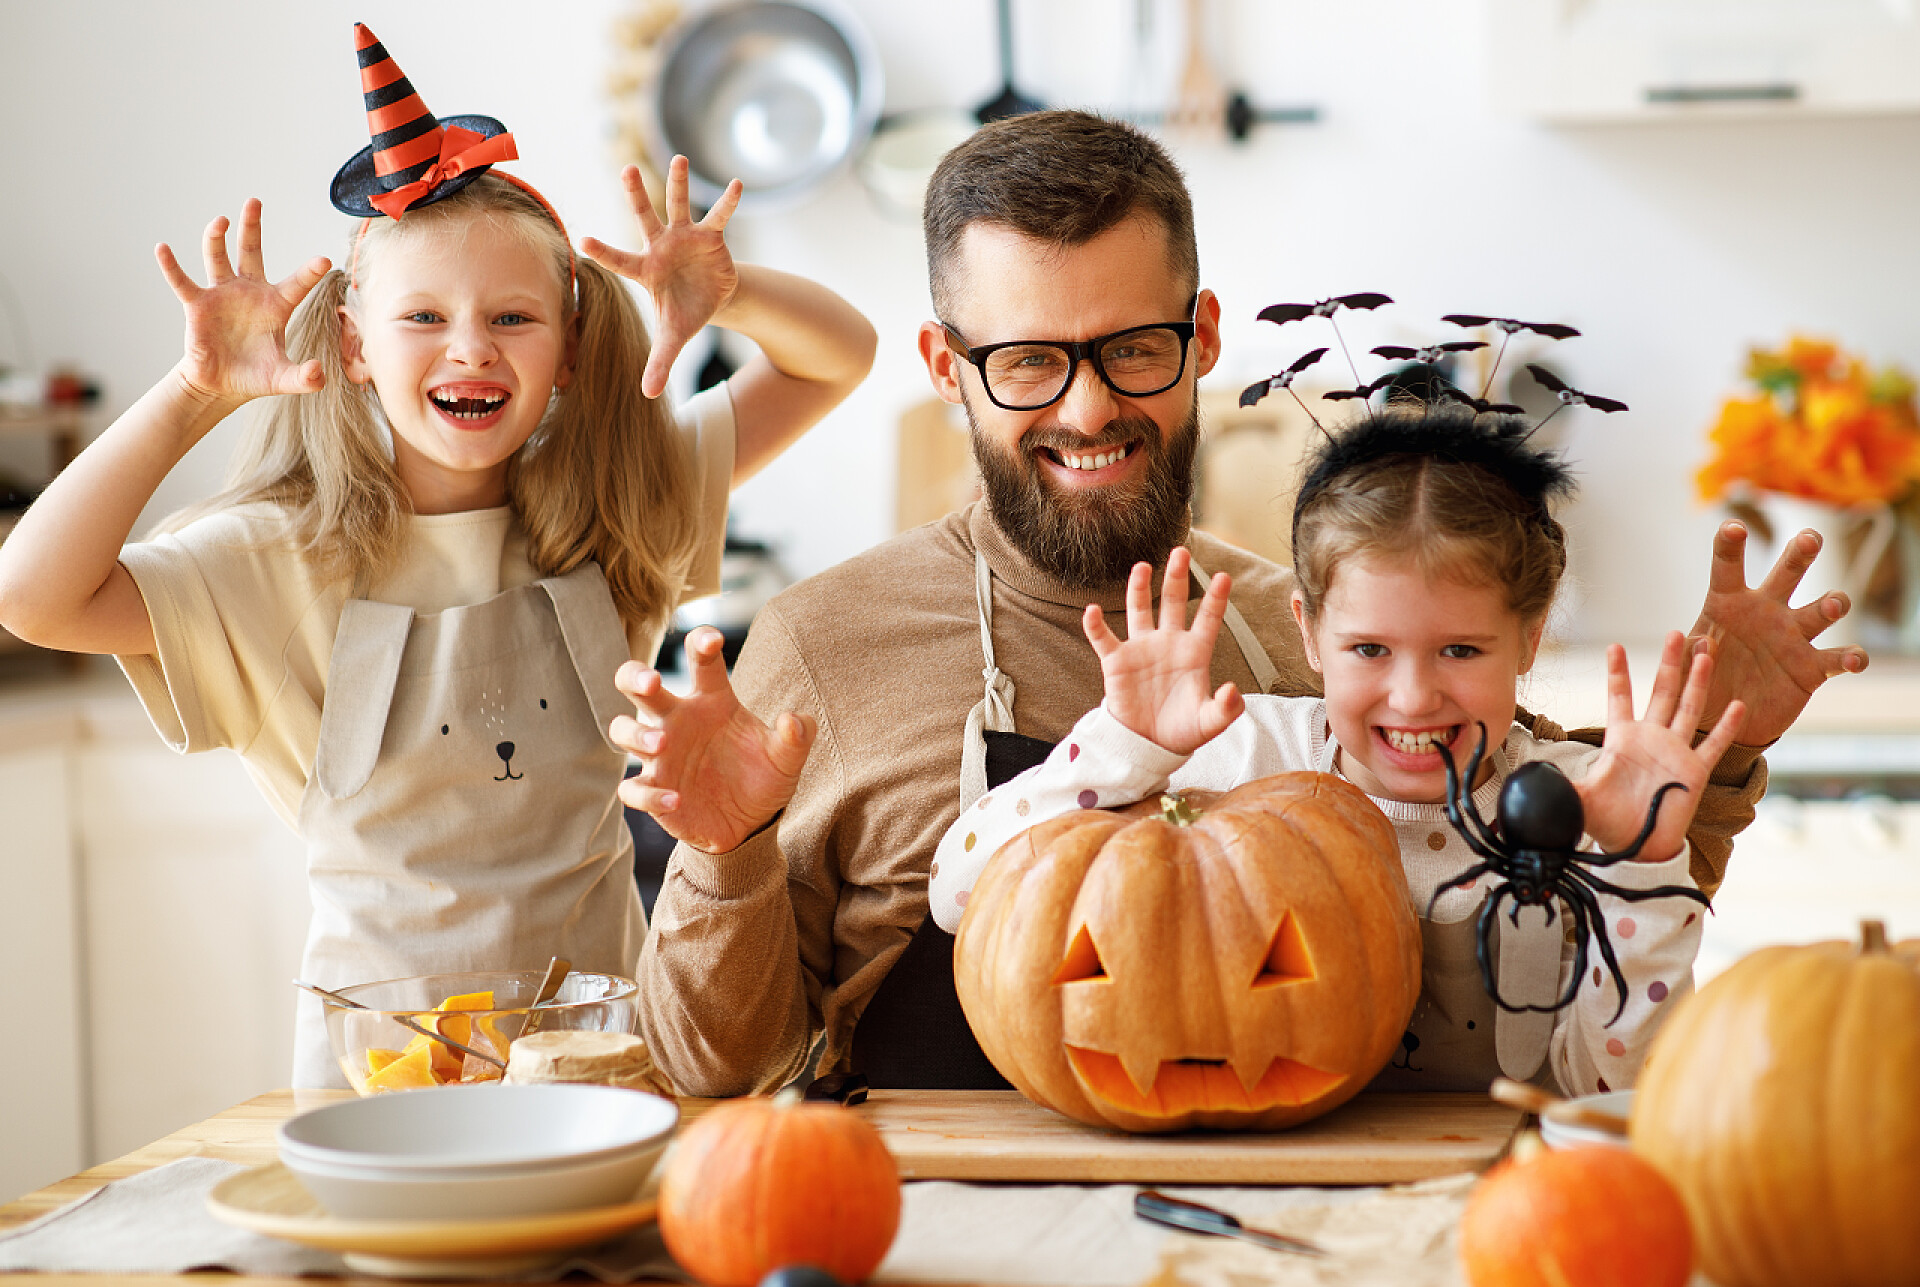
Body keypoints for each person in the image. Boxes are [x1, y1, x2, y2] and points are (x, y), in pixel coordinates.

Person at [616, 109, 1865, 1098]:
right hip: (950, 1203)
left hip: (1308, 1185)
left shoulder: (1329, 636)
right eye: (1030, 360)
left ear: (1204, 334)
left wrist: (1728, 740)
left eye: (1134, 349)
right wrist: (722, 859)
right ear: (948, 368)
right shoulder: (825, 646)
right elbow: (721, 1070)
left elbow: (1572, 899)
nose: (1090, 407)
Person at [0, 25, 876, 1088]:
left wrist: (729, 295)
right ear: (357, 347)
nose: (472, 347)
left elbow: (838, 358)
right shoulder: (281, 560)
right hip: (379, 1082)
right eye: (424, 316)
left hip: (606, 1069)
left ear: (564, 351)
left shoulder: (617, 509)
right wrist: (195, 394)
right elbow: (32, 598)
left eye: (513, 317)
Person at [930, 404, 1745, 1095]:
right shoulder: (1240, 757)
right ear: (1309, 632)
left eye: (1461, 651)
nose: (1414, 695)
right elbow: (959, 893)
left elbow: (1612, 1087)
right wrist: (1122, 747)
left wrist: (1644, 865)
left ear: (1528, 639)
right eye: (1370, 650)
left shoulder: (1583, 806)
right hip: (1275, 1171)